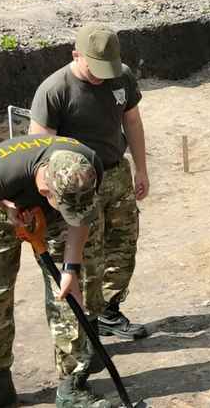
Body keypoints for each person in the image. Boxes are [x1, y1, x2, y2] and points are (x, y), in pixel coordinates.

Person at [0, 136, 107, 407]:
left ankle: (72, 387)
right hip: (1, 204)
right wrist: (3, 203)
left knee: (70, 294)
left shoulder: (87, 166)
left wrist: (70, 267)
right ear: (46, 189)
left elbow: (80, 218)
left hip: (56, 212)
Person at [29, 23, 150, 344]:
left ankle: (108, 312)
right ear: (75, 55)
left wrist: (141, 169)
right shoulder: (54, 90)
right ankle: (88, 328)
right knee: (87, 259)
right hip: (79, 185)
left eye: (106, 69)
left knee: (123, 249)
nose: (101, 76)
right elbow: (38, 151)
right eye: (94, 68)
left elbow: (133, 121)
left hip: (116, 175)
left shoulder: (121, 77)